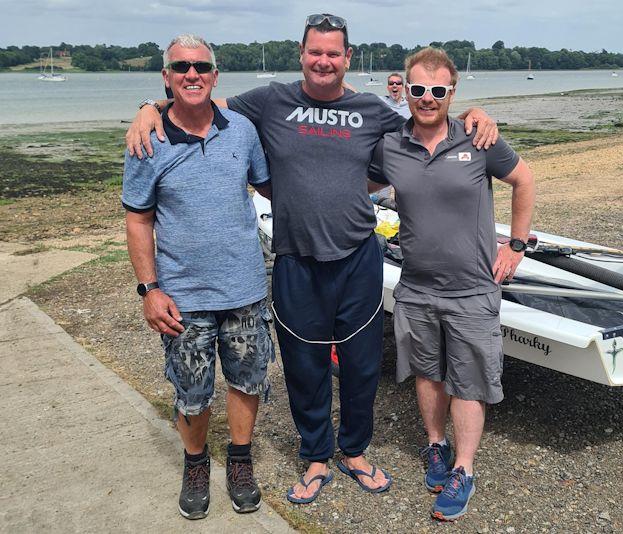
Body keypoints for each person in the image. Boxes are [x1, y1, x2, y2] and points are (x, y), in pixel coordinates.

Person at [125, 13, 499, 505]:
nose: (323, 61)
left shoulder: (372, 109)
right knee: (305, 365)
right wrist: (148, 108)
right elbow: (199, 102)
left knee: (364, 366)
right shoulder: (269, 101)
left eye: (333, 53)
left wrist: (477, 114)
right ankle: (317, 455)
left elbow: (430, 119)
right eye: (314, 52)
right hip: (296, 259)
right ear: (301, 54)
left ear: (347, 58)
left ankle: (355, 451)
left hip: (357, 257)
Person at [367, 47, 535, 521]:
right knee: (427, 372)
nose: (426, 98)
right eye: (417, 89)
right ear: (406, 87)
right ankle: (435, 446)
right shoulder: (391, 144)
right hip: (417, 287)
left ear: (452, 93)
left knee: (469, 380)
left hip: (472, 289)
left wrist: (515, 246)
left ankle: (463, 468)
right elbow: (356, 182)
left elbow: (524, 181)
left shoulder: (477, 137)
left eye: (437, 91)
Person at [123, 34, 273, 520]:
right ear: (166, 77)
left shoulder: (243, 130)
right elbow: (137, 219)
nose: (193, 74)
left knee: (247, 382)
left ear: (215, 74)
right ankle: (194, 463)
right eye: (181, 67)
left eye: (201, 66)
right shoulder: (148, 140)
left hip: (245, 288)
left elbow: (271, 184)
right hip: (183, 296)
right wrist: (149, 289)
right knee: (191, 389)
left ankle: (240, 460)